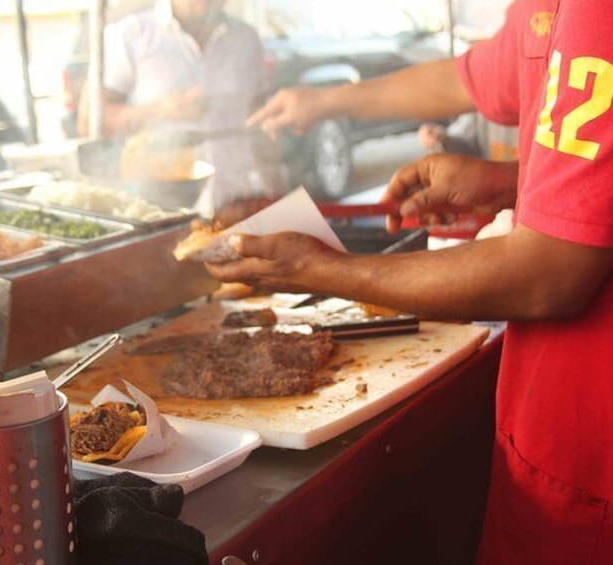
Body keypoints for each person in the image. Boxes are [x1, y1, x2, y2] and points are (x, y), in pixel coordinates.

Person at [211, 1, 613, 562]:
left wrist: (320, 268)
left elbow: (551, 273)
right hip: (554, 438)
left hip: (590, 453)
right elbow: (479, 77)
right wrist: (520, 182)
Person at [77, 0, 283, 216]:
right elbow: (88, 121)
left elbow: (262, 127)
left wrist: (277, 193)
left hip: (238, 205)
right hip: (160, 212)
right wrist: (160, 110)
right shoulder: (129, 35)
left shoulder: (246, 38)